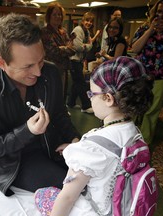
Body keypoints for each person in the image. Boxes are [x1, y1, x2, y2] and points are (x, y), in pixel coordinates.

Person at [0, 13, 80, 196]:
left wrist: (75, 142)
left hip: (51, 145)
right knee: (74, 188)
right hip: (14, 160)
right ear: (2, 63)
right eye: (27, 67)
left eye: (40, 60)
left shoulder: (50, 73)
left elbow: (59, 114)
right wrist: (26, 132)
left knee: (92, 174)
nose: (38, 72)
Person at [35, 56, 154, 216]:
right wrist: (75, 148)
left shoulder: (92, 147)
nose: (89, 98)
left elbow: (68, 197)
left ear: (108, 98)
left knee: (42, 195)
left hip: (91, 211)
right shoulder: (135, 134)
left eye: (92, 93)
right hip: (120, 209)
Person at [131, 0, 163, 144]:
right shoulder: (143, 28)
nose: (162, 15)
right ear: (154, 12)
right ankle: (128, 138)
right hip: (141, 75)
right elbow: (135, 49)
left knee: (152, 112)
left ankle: (144, 143)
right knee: (135, 107)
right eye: (159, 11)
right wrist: (150, 30)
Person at [41, 2, 75, 102]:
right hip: (50, 70)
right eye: (54, 14)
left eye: (59, 14)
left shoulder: (63, 32)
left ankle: (60, 115)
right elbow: (53, 51)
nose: (57, 17)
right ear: (49, 16)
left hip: (63, 69)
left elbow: (73, 49)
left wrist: (63, 48)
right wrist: (66, 48)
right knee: (51, 96)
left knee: (61, 96)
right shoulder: (44, 32)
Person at [67, 12, 95, 113]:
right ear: (83, 21)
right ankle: (86, 106)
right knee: (81, 83)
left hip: (79, 60)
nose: (89, 23)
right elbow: (78, 47)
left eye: (91, 22)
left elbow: (85, 46)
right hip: (73, 60)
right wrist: (88, 46)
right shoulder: (78, 30)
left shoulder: (86, 31)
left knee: (76, 83)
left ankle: (70, 103)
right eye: (87, 21)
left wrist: (85, 46)